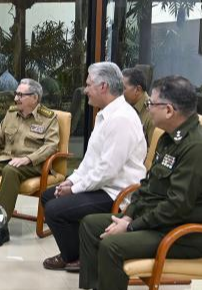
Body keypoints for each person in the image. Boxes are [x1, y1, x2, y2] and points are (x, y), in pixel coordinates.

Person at [66, 76, 202, 290]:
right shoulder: (168, 139)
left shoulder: (197, 147)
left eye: (152, 103)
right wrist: (128, 215)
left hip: (185, 233)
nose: (147, 107)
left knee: (113, 245)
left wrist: (132, 226)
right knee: (92, 225)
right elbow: (148, 187)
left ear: (170, 110)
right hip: (162, 222)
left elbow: (178, 206)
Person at [41, 62, 146, 272]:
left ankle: (79, 257)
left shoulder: (121, 119)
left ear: (103, 87)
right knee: (48, 196)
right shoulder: (105, 115)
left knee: (54, 209)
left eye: (89, 84)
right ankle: (77, 251)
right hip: (102, 185)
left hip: (116, 192)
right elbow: (90, 162)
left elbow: (107, 170)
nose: (85, 90)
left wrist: (75, 189)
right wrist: (71, 180)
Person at [0, 78, 60, 248]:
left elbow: (51, 146)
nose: (16, 98)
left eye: (21, 95)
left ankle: (0, 227)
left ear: (35, 98)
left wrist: (28, 159)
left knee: (10, 171)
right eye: (16, 94)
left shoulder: (48, 118)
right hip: (7, 158)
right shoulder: (11, 113)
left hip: (32, 164)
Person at [122, 67, 155, 144]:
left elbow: (153, 150)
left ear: (137, 90)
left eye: (123, 88)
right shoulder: (126, 107)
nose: (120, 92)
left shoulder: (152, 112)